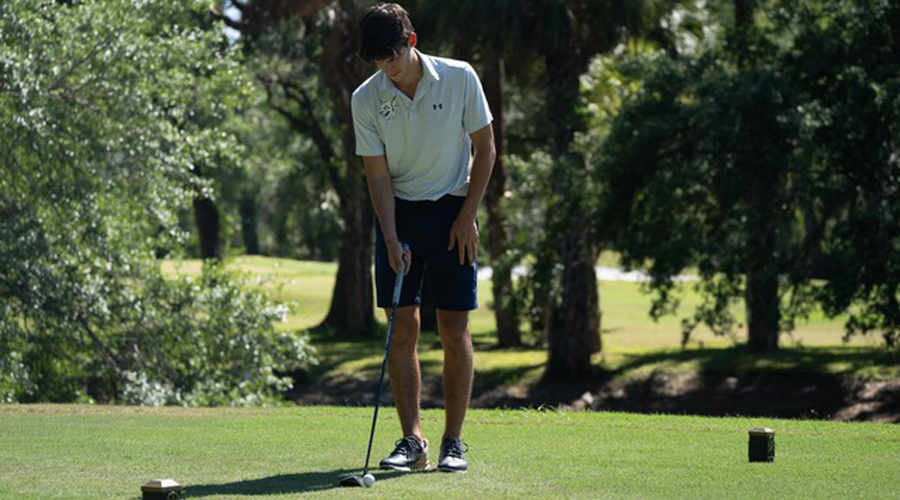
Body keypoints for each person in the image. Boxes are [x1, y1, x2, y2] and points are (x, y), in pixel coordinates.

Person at [351, 2, 495, 474]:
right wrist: (391, 238)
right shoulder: (366, 98)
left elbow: (485, 146)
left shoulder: (459, 77)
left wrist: (468, 214)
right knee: (402, 326)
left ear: (410, 42)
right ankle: (413, 441)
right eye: (376, 61)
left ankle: (454, 442)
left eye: (390, 57)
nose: (386, 69)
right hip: (401, 213)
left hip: (454, 207)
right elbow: (377, 177)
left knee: (454, 328)